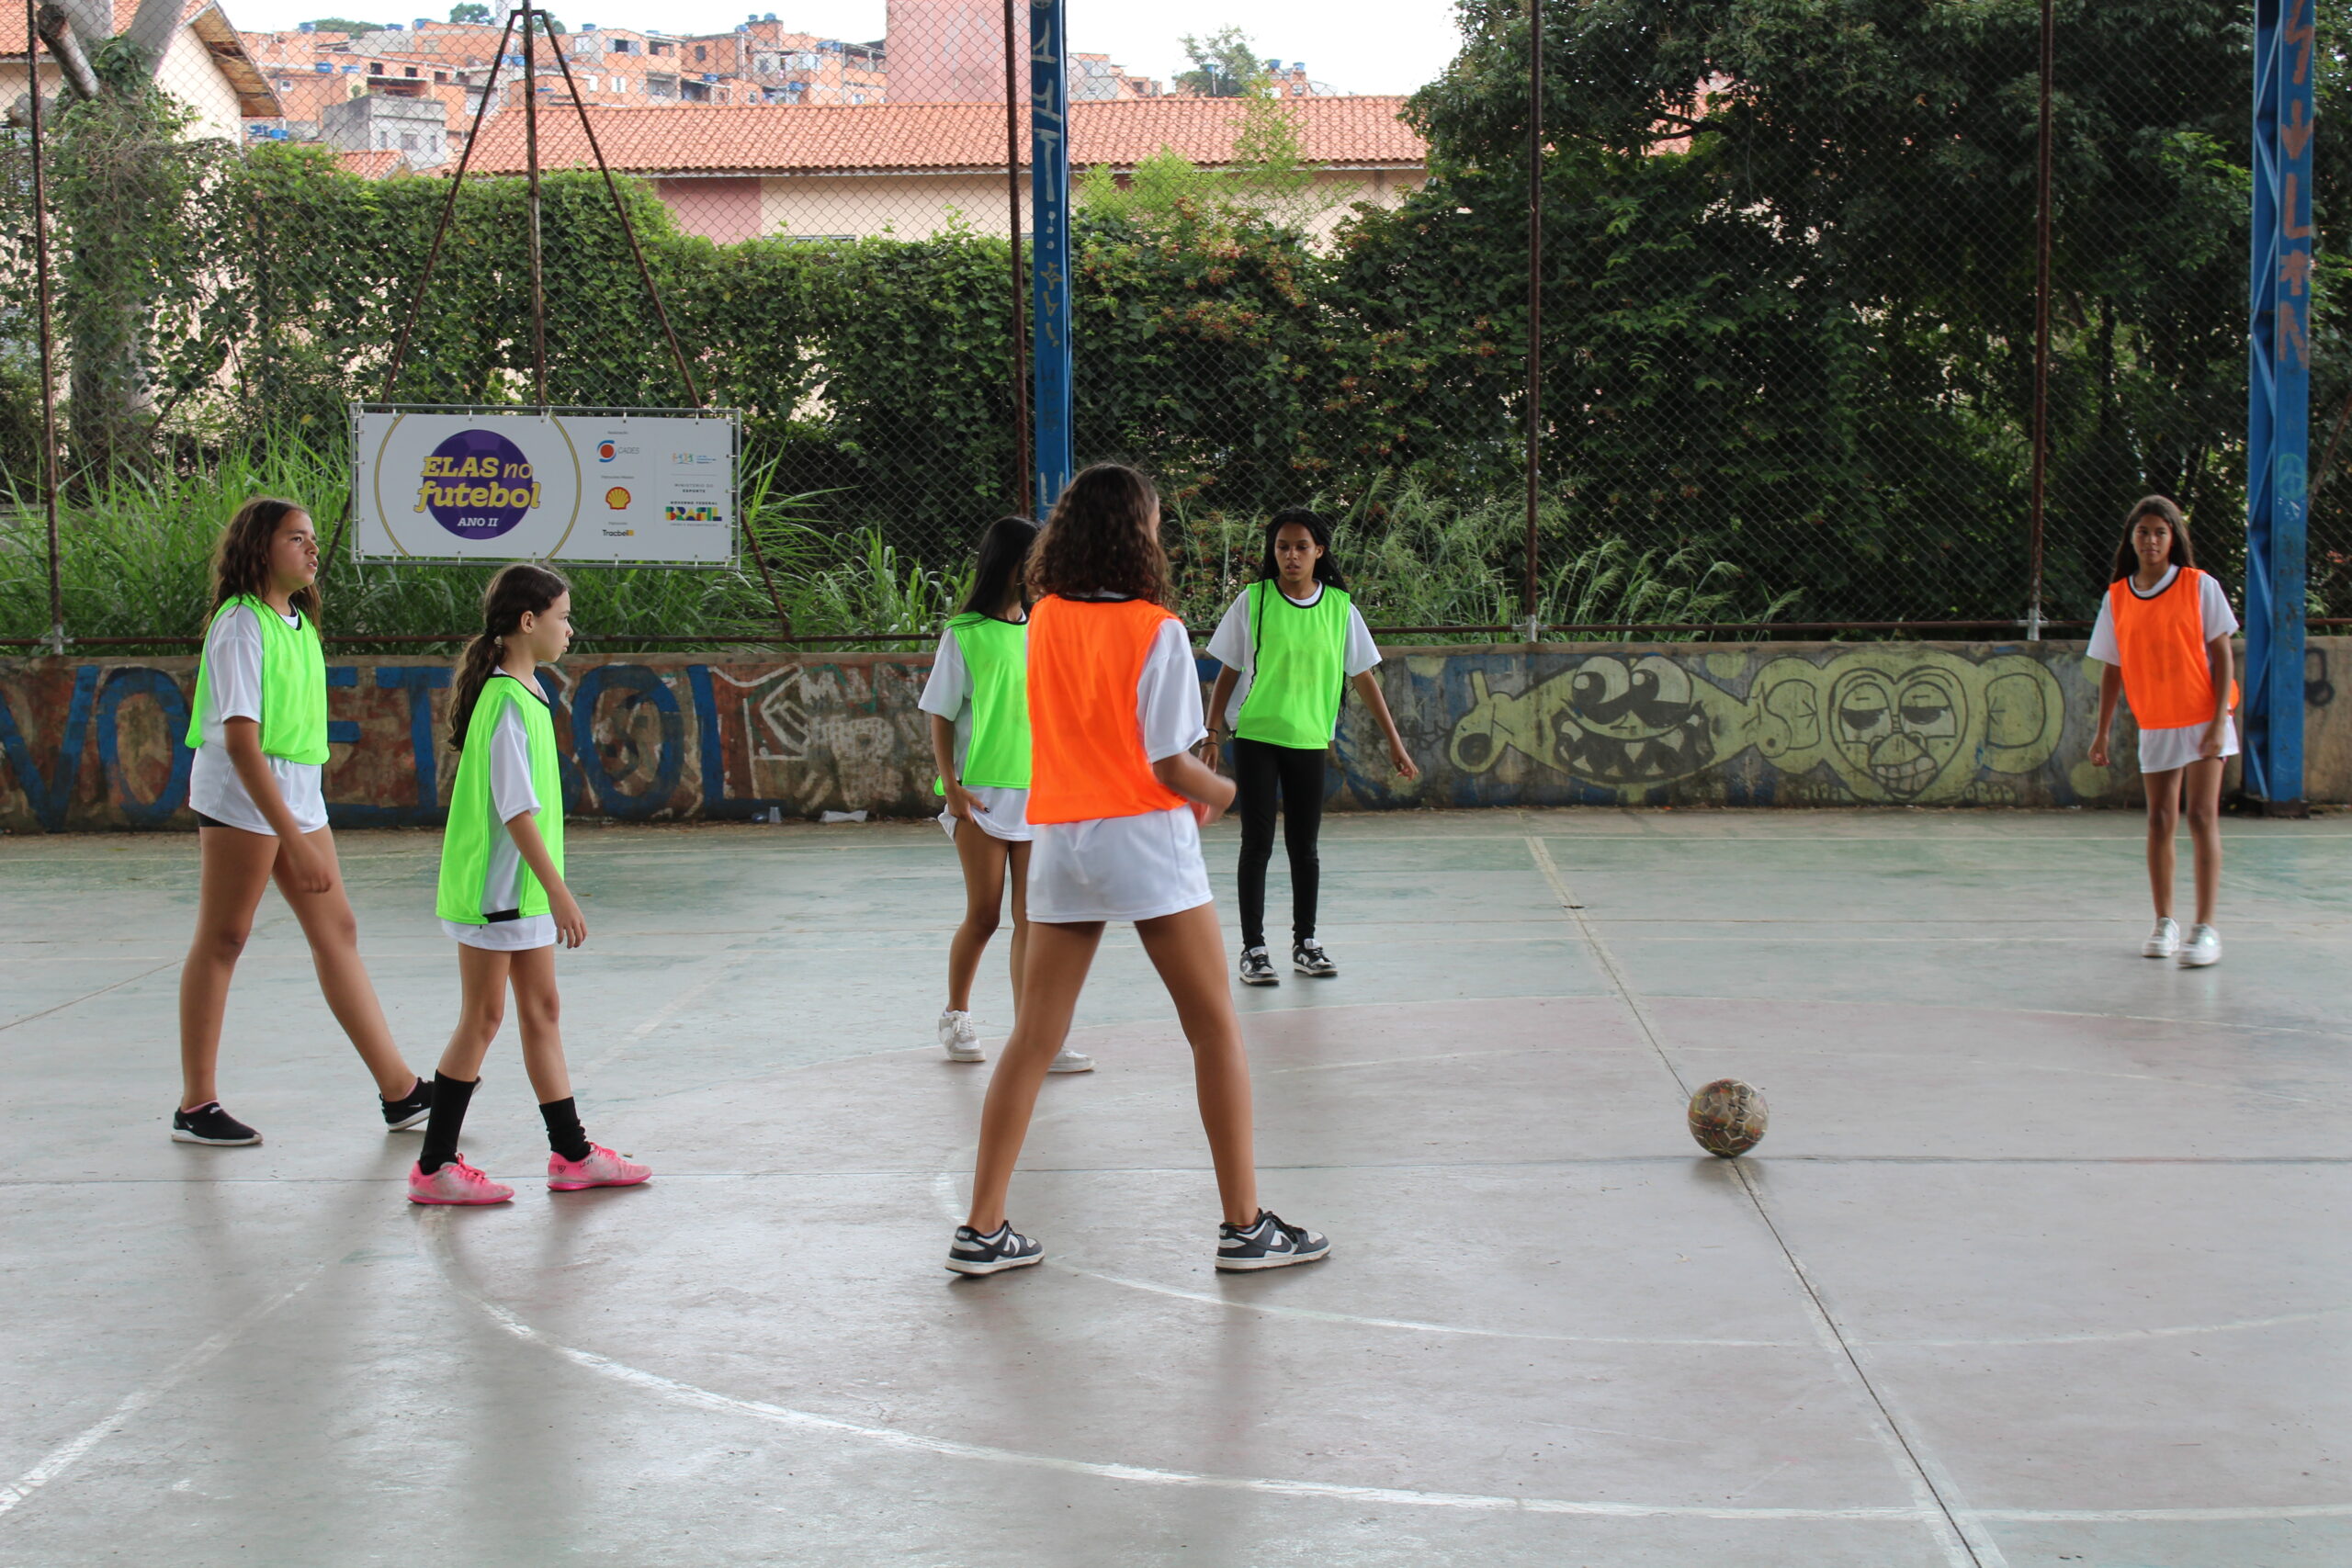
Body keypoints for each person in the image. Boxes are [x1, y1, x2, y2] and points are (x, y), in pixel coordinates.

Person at [947, 464, 1329, 1277]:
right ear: (1136, 533)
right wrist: (1220, 790)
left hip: (1061, 842)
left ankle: (981, 1229)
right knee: (1214, 1027)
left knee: (1032, 1037)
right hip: (1144, 843)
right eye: (1153, 519)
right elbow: (1166, 759)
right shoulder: (1157, 629)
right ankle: (1244, 1225)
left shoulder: (1041, 618)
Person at [172, 498, 430, 1145]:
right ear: (261, 549)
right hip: (243, 797)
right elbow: (239, 740)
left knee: (337, 928)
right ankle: (195, 1105)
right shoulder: (240, 623)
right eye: (297, 538)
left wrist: (301, 818)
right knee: (225, 936)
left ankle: (400, 1091)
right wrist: (291, 833)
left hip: (296, 793)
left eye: (313, 539)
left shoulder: (296, 625)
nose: (313, 549)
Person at [407, 564, 650, 1205]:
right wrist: (560, 890)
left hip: (521, 894)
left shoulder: (528, 692)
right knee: (483, 1019)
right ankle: (434, 1165)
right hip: (498, 895)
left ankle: (572, 1154)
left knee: (541, 1011)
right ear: (528, 621)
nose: (570, 629)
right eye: (563, 616)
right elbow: (516, 812)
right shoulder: (506, 700)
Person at [1205, 508, 1418, 987]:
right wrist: (1212, 733)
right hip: (1257, 735)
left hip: (1308, 739)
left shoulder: (1340, 607)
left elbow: (1362, 677)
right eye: (1283, 547)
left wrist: (1395, 742)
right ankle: (1254, 949)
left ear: (1319, 551)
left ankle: (1306, 943)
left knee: (1305, 847)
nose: (1291, 555)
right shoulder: (1254, 601)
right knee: (1255, 844)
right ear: (1273, 552)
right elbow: (1228, 672)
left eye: (1302, 546)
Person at [919, 516, 1091, 1073]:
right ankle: (957, 1014)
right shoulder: (963, 633)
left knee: (1032, 918)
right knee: (985, 914)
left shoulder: (1047, 627)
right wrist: (954, 788)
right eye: (1036, 557)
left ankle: (1036, 1037)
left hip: (1039, 794)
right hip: (981, 798)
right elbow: (940, 714)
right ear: (1012, 562)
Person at [2087, 495, 2239, 968]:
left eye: (2160, 532)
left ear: (2173, 538)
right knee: (2158, 822)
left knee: (2200, 817)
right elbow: (2112, 668)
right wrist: (2103, 731)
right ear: (2130, 540)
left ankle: (2206, 929)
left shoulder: (2199, 586)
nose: (2151, 540)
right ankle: (2164, 922)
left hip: (2201, 718)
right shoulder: (2117, 596)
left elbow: (2223, 653)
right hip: (2155, 722)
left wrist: (2218, 721)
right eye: (2143, 532)